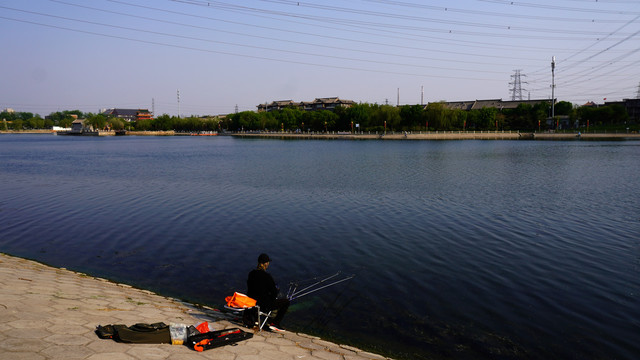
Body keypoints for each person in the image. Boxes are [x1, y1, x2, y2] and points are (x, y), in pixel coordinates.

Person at [247, 253, 290, 332]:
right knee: (286, 302)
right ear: (266, 263)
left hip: (252, 302)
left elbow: (250, 289)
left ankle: (256, 318)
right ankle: (275, 323)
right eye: (268, 262)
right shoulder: (267, 276)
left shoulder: (251, 274)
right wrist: (275, 292)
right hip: (263, 305)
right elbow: (274, 293)